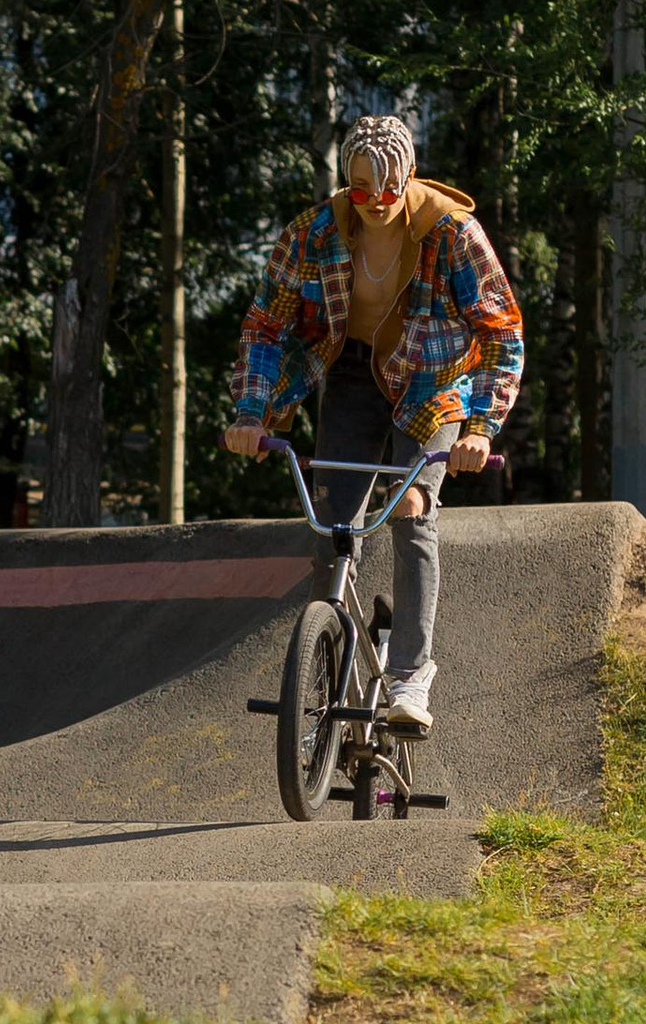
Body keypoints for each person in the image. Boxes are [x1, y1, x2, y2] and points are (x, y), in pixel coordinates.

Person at [222, 111, 525, 732]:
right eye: (360, 189)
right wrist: (251, 414)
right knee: (333, 521)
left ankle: (411, 677)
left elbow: (501, 331)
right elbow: (265, 326)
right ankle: (326, 658)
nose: (376, 201)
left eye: (388, 188)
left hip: (434, 385)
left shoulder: (452, 234)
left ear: (410, 176)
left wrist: (479, 427)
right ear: (346, 183)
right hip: (355, 376)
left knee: (412, 505)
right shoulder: (313, 234)